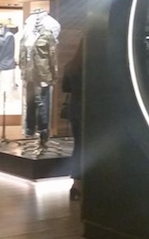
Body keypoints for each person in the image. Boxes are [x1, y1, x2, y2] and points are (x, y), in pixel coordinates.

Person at [61, 40, 83, 201]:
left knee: (78, 146)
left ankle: (76, 185)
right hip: (90, 109)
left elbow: (65, 87)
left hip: (75, 108)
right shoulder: (94, 66)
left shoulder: (71, 65)